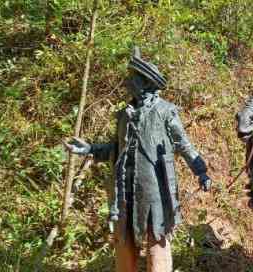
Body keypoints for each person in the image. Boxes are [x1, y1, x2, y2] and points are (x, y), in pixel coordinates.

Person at [64, 47, 212, 272]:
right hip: (124, 192)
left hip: (154, 191)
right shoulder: (124, 115)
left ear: (144, 83)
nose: (127, 82)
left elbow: (183, 145)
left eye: (131, 78)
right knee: (124, 247)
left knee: (157, 246)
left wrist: (200, 170)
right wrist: (90, 149)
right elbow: (116, 148)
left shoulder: (165, 111)